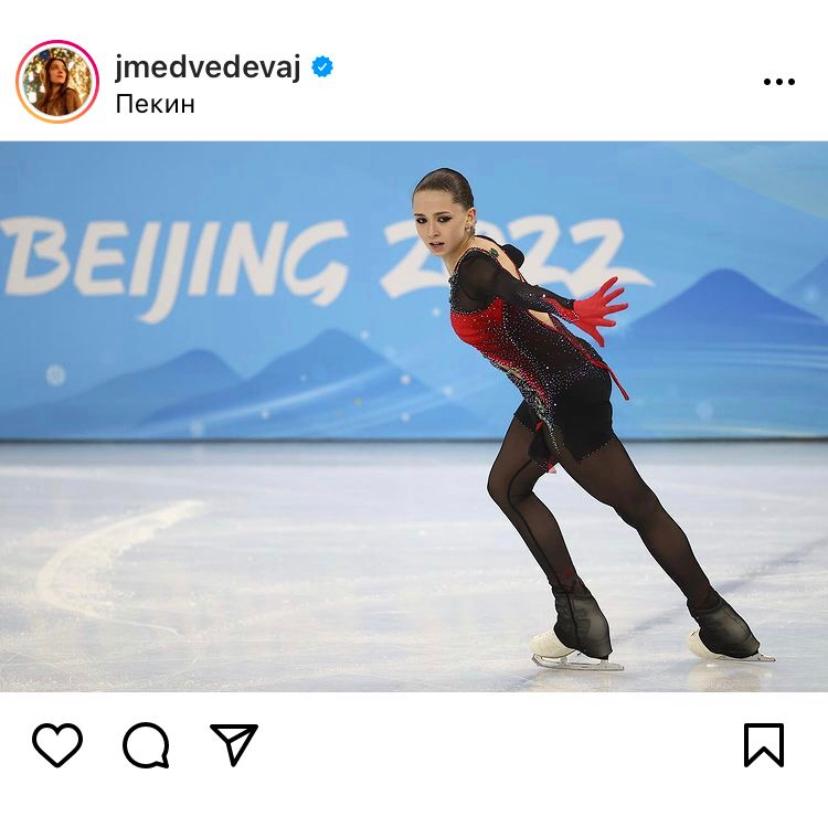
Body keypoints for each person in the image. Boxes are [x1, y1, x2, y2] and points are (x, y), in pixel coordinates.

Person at [412, 167, 773, 670]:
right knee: (507, 487)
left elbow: (511, 288)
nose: (432, 231)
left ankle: (716, 622)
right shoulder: (483, 250)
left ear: (468, 217)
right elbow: (511, 266)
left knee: (638, 507)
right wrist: (521, 277)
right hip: (555, 387)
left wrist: (570, 306)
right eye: (422, 220)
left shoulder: (474, 267)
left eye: (444, 218)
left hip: (564, 394)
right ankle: (580, 616)